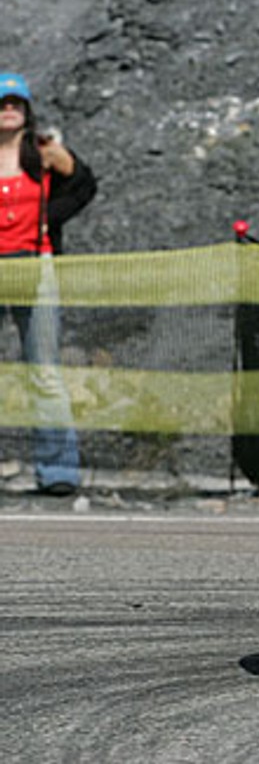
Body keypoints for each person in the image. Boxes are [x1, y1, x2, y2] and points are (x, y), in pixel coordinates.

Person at [0, 72, 95, 495]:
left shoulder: (43, 153)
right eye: (2, 104)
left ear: (26, 110)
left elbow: (84, 185)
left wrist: (47, 218)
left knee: (44, 371)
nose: (8, 111)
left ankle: (58, 470)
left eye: (15, 104)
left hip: (35, 267)